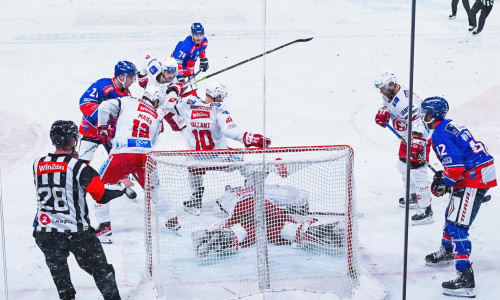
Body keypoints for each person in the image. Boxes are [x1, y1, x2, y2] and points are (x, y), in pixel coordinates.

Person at [33, 120, 130, 300]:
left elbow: (58, 176)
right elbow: (101, 195)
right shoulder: (80, 168)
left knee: (60, 276)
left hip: (46, 232)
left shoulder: (37, 164)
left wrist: (71, 160)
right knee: (102, 272)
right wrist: (122, 186)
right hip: (76, 233)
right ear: (72, 140)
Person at [421, 97, 496, 298]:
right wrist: (445, 178)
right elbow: (457, 163)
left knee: (458, 227)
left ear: (434, 115)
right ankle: (447, 250)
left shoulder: (438, 134)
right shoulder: (447, 124)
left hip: (474, 176)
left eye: (426, 113)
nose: (423, 117)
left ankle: (465, 279)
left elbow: (455, 169)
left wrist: (444, 181)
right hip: (475, 170)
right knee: (451, 214)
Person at [161, 81, 271, 216]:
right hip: (220, 157)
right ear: (217, 95)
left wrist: (175, 88)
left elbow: (167, 104)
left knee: (189, 158)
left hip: (197, 160)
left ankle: (196, 199)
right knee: (244, 162)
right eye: (221, 96)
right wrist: (251, 138)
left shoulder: (188, 104)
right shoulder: (218, 108)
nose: (222, 98)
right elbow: (230, 131)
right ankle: (250, 190)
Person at [94, 85, 172, 242]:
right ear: (155, 100)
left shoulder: (127, 101)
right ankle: (173, 220)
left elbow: (103, 107)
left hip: (123, 153)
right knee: (155, 189)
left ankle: (104, 228)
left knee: (99, 188)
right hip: (146, 156)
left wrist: (102, 128)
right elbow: (154, 141)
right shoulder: (156, 116)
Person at [192, 184, 344, 257]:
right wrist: (301, 211)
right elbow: (295, 196)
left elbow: (219, 210)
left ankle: (228, 235)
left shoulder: (227, 195)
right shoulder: (265, 188)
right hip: (267, 207)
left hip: (241, 210)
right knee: (282, 226)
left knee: (243, 229)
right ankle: (306, 231)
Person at [373, 70, 433, 225]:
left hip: (418, 137)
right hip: (407, 136)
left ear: (391, 85)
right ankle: (413, 196)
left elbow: (421, 121)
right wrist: (384, 111)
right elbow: (389, 105)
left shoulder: (406, 102)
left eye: (383, 88)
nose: (381, 91)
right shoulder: (390, 94)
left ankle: (426, 210)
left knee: (417, 170)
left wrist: (417, 141)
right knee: (402, 165)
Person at [78, 60, 138, 200]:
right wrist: (101, 123)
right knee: (82, 163)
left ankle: (124, 183)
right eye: (130, 77)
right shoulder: (103, 85)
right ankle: (75, 184)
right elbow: (84, 102)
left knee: (119, 159)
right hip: (91, 131)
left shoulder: (127, 94)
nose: (132, 80)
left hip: (109, 134)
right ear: (121, 76)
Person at [172, 22, 209, 88]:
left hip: (189, 70)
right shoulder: (187, 45)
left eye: (201, 35)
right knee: (176, 92)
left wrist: (203, 60)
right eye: (197, 35)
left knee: (192, 93)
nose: (199, 38)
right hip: (176, 69)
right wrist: (179, 75)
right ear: (192, 35)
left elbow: (201, 50)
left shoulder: (204, 42)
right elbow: (177, 61)